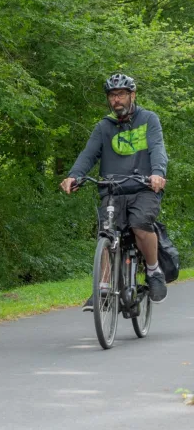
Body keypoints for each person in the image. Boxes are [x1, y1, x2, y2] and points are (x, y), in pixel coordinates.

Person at [60, 73, 168, 310]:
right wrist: (73, 176)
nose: (116, 100)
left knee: (140, 225)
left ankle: (153, 270)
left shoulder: (149, 119)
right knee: (108, 234)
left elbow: (157, 148)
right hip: (112, 189)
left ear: (132, 95)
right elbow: (88, 155)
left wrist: (158, 172)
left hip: (144, 188)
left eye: (120, 94)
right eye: (112, 95)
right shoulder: (104, 126)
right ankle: (104, 290)